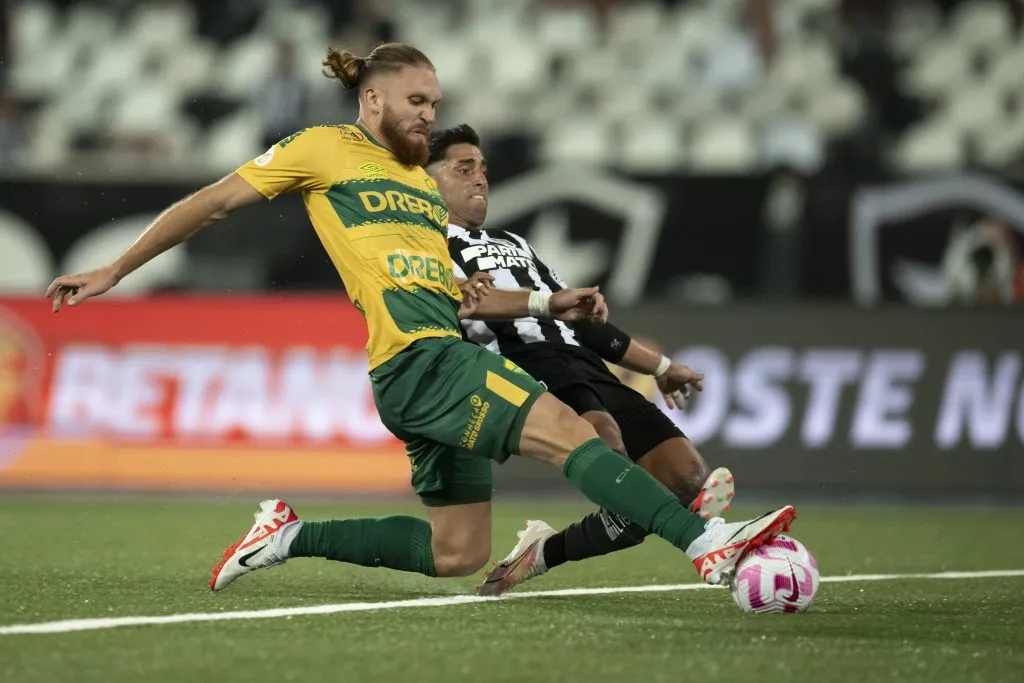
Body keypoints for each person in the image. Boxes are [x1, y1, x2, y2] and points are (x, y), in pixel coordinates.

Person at [44, 43, 795, 593]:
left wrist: (543, 301)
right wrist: (115, 269)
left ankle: (290, 533)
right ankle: (708, 545)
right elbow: (210, 203)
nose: (428, 114)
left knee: (458, 552)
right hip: (423, 360)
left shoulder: (419, 187)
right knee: (570, 430)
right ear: (372, 99)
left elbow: (467, 295)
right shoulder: (323, 149)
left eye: (434, 103)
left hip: (426, 361)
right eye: (417, 102)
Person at [429, 124, 737, 596]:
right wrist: (543, 304)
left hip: (579, 359)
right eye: (463, 169)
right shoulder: (424, 245)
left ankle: (542, 552)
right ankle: (704, 540)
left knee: (684, 478)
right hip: (519, 360)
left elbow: (578, 321)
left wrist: (659, 367)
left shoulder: (515, 241)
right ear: (427, 180)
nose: (480, 180)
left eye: (483, 170)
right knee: (609, 446)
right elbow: (467, 304)